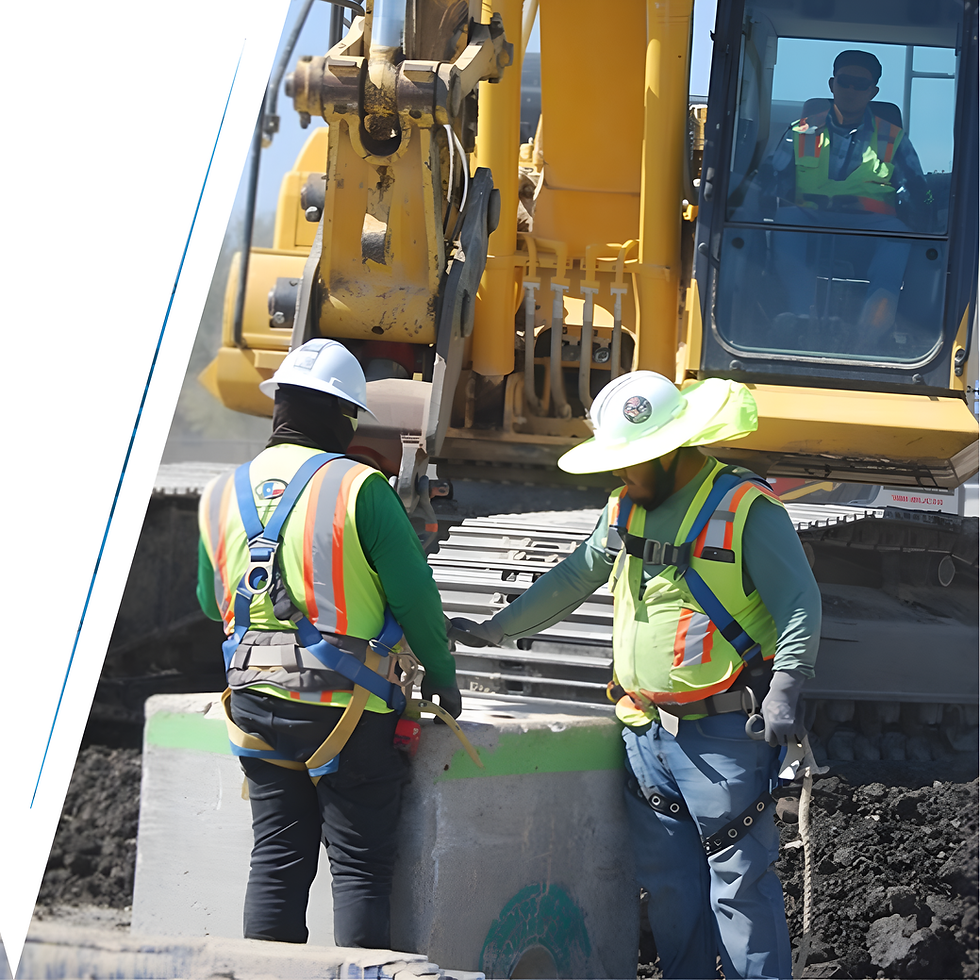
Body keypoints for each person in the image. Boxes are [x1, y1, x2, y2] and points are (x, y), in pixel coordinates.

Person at [450, 372, 821, 980]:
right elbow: (575, 577)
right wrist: (496, 628)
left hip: (722, 734)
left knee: (739, 887)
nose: (620, 473)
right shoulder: (624, 507)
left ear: (672, 452)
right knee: (672, 887)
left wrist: (786, 685)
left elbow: (800, 604)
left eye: (634, 460)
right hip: (644, 730)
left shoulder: (745, 510)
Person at [196, 338, 461, 948]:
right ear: (345, 417)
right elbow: (417, 602)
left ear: (279, 407)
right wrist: (443, 677)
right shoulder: (361, 488)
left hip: (255, 705)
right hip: (347, 711)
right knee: (360, 869)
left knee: (277, 862)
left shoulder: (221, 493)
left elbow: (214, 605)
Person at [766, 50, 932, 341]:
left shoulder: (894, 139)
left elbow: (919, 193)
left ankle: (870, 335)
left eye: (861, 84)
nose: (851, 89)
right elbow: (770, 184)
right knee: (784, 217)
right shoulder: (799, 132)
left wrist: (924, 214)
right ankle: (801, 319)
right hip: (810, 220)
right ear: (832, 84)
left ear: (873, 91)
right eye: (845, 81)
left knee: (899, 234)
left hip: (870, 226)